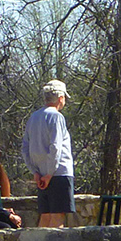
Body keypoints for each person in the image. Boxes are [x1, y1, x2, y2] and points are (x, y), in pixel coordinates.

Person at [22, 79, 75, 228]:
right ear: (60, 98)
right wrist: (50, 173)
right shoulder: (56, 117)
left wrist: (35, 172)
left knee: (45, 217)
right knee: (58, 217)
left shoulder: (33, 117)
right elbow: (56, 147)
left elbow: (25, 148)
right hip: (59, 173)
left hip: (41, 174)